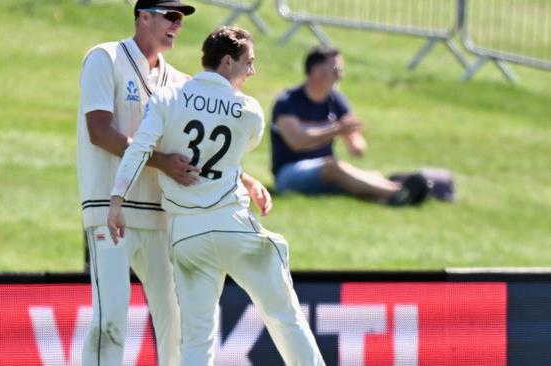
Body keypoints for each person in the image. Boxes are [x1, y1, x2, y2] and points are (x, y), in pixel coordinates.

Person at [107, 26, 325, 365]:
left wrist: (117, 201)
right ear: (227, 62)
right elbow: (228, 149)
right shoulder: (249, 110)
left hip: (187, 235)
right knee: (285, 317)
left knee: (197, 340)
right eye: (248, 62)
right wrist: (243, 179)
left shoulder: (167, 97)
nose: (252, 71)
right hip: (232, 225)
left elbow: (138, 150)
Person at [77, 1, 271, 365]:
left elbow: (192, 151)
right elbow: (99, 131)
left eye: (180, 19)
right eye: (171, 16)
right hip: (110, 209)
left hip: (163, 214)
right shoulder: (105, 58)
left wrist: (244, 179)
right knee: (112, 321)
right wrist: (161, 162)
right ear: (143, 16)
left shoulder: (181, 83)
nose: (177, 25)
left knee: (176, 323)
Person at [270, 46, 429, 206]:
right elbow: (295, 141)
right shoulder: (288, 102)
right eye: (335, 69)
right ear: (316, 70)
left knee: (368, 175)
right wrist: (336, 130)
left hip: (328, 168)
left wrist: (355, 142)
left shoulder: (336, 101)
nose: (340, 75)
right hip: (288, 175)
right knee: (335, 167)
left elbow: (358, 147)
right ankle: (398, 192)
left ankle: (393, 195)